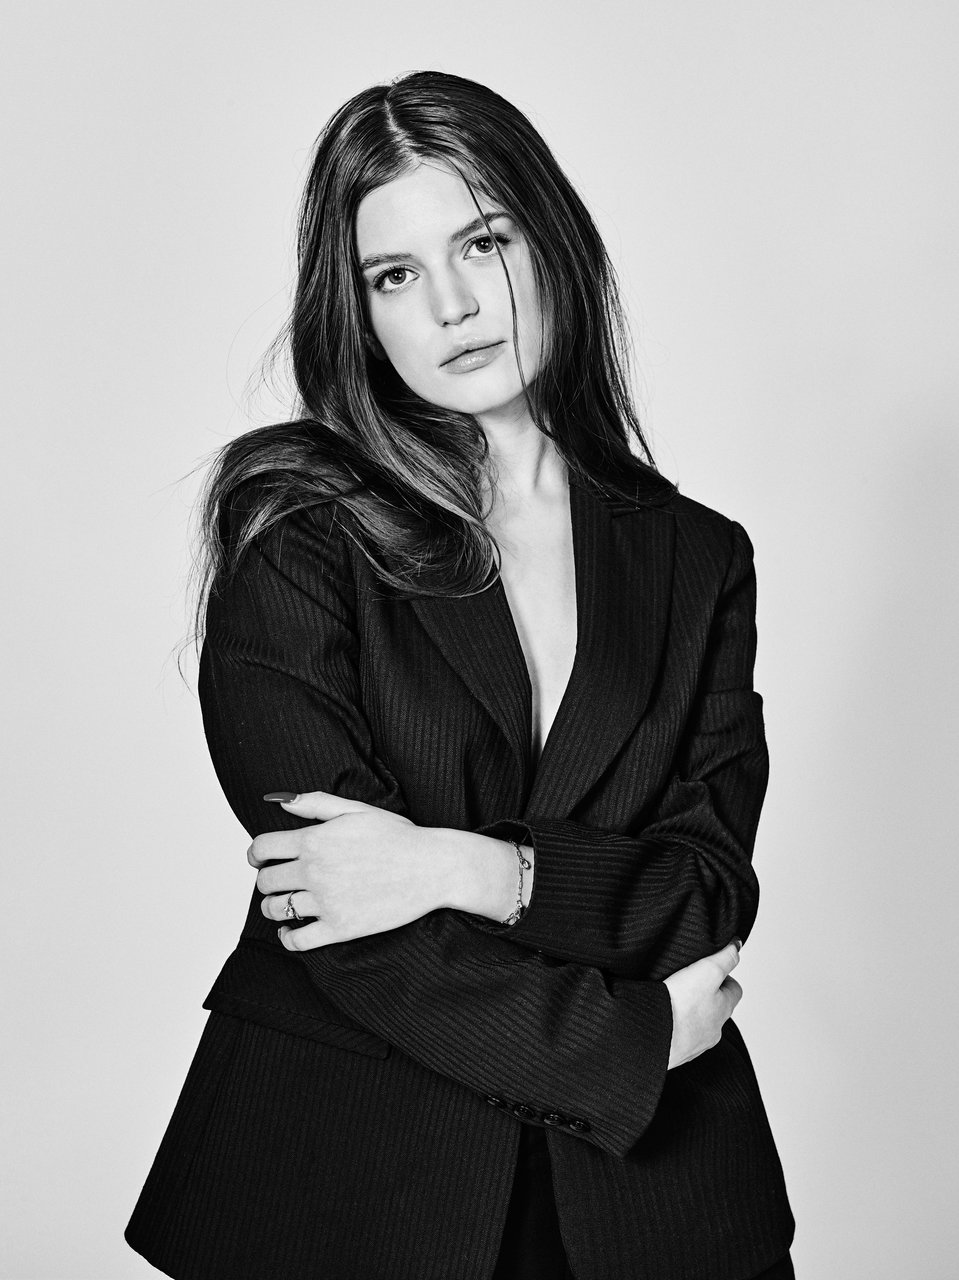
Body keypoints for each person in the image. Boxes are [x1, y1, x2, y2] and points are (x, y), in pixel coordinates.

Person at [125, 71, 794, 1280]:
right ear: (358, 312)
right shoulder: (299, 530)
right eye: (393, 274)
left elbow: (701, 891)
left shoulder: (697, 556)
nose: (450, 304)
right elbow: (338, 917)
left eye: (481, 242)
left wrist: (473, 868)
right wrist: (631, 1038)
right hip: (352, 1184)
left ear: (550, 241)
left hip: (652, 1207)